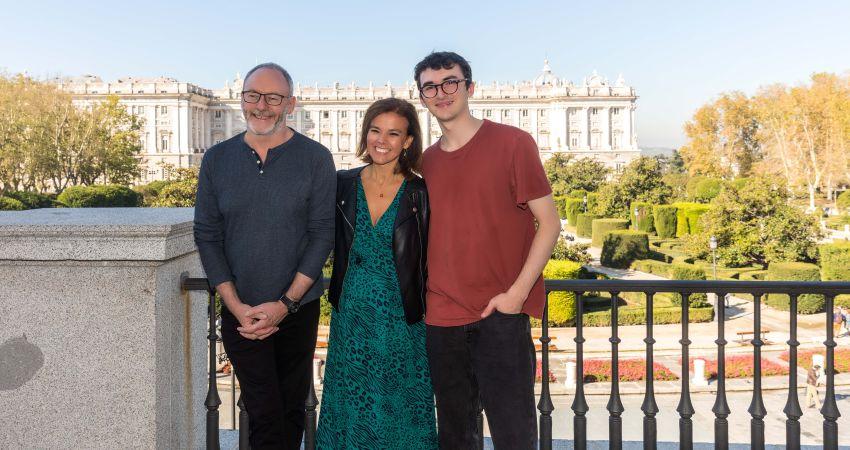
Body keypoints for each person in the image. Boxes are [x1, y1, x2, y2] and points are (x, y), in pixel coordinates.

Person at [413, 51, 561, 449]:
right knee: (455, 436)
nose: (441, 92)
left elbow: (550, 223)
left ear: (469, 87)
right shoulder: (425, 163)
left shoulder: (514, 143)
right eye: (430, 86)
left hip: (500, 314)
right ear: (422, 97)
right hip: (441, 318)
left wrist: (516, 296)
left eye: (450, 82)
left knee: (514, 435)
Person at [194, 62, 336, 449]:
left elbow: (322, 234)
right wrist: (236, 305)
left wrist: (285, 304)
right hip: (241, 311)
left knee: (291, 411)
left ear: (290, 103)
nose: (262, 105)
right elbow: (207, 235)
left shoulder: (316, 158)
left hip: (298, 307)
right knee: (264, 410)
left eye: (273, 97)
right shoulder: (217, 159)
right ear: (241, 100)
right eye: (253, 95)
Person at [316, 97, 437, 449]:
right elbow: (314, 236)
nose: (381, 140)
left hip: (403, 316)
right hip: (351, 313)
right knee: (350, 403)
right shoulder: (341, 184)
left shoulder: (422, 192)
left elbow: (435, 255)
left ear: (409, 141)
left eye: (393, 133)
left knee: (403, 405)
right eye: (375, 130)